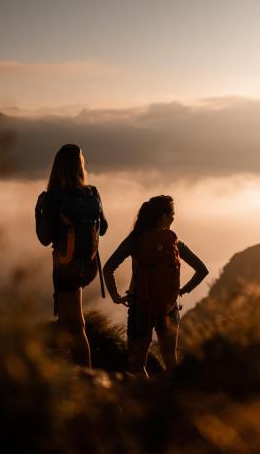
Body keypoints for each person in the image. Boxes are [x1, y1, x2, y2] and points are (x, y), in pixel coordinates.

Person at [103, 195, 208, 377]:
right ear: (163, 217)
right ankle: (172, 401)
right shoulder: (174, 243)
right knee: (170, 359)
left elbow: (108, 268)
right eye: (172, 214)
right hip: (169, 307)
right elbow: (202, 270)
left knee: (136, 364)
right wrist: (182, 291)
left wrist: (116, 296)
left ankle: (146, 398)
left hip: (140, 306)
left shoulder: (135, 240)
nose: (174, 218)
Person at [35, 144, 107, 368]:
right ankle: (73, 368)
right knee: (70, 322)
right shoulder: (92, 192)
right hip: (89, 266)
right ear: (80, 166)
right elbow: (103, 228)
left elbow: (45, 238)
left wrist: (38, 213)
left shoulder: (51, 197)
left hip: (66, 268)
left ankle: (85, 375)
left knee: (76, 327)